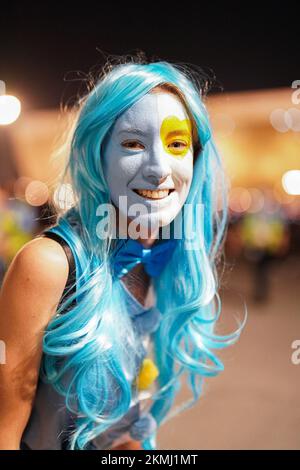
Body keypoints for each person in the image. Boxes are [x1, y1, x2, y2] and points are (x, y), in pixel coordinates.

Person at [0, 57, 242, 450]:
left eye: (177, 144)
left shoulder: (171, 266)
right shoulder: (48, 265)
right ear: (98, 155)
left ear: (195, 161)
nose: (159, 168)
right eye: (132, 143)